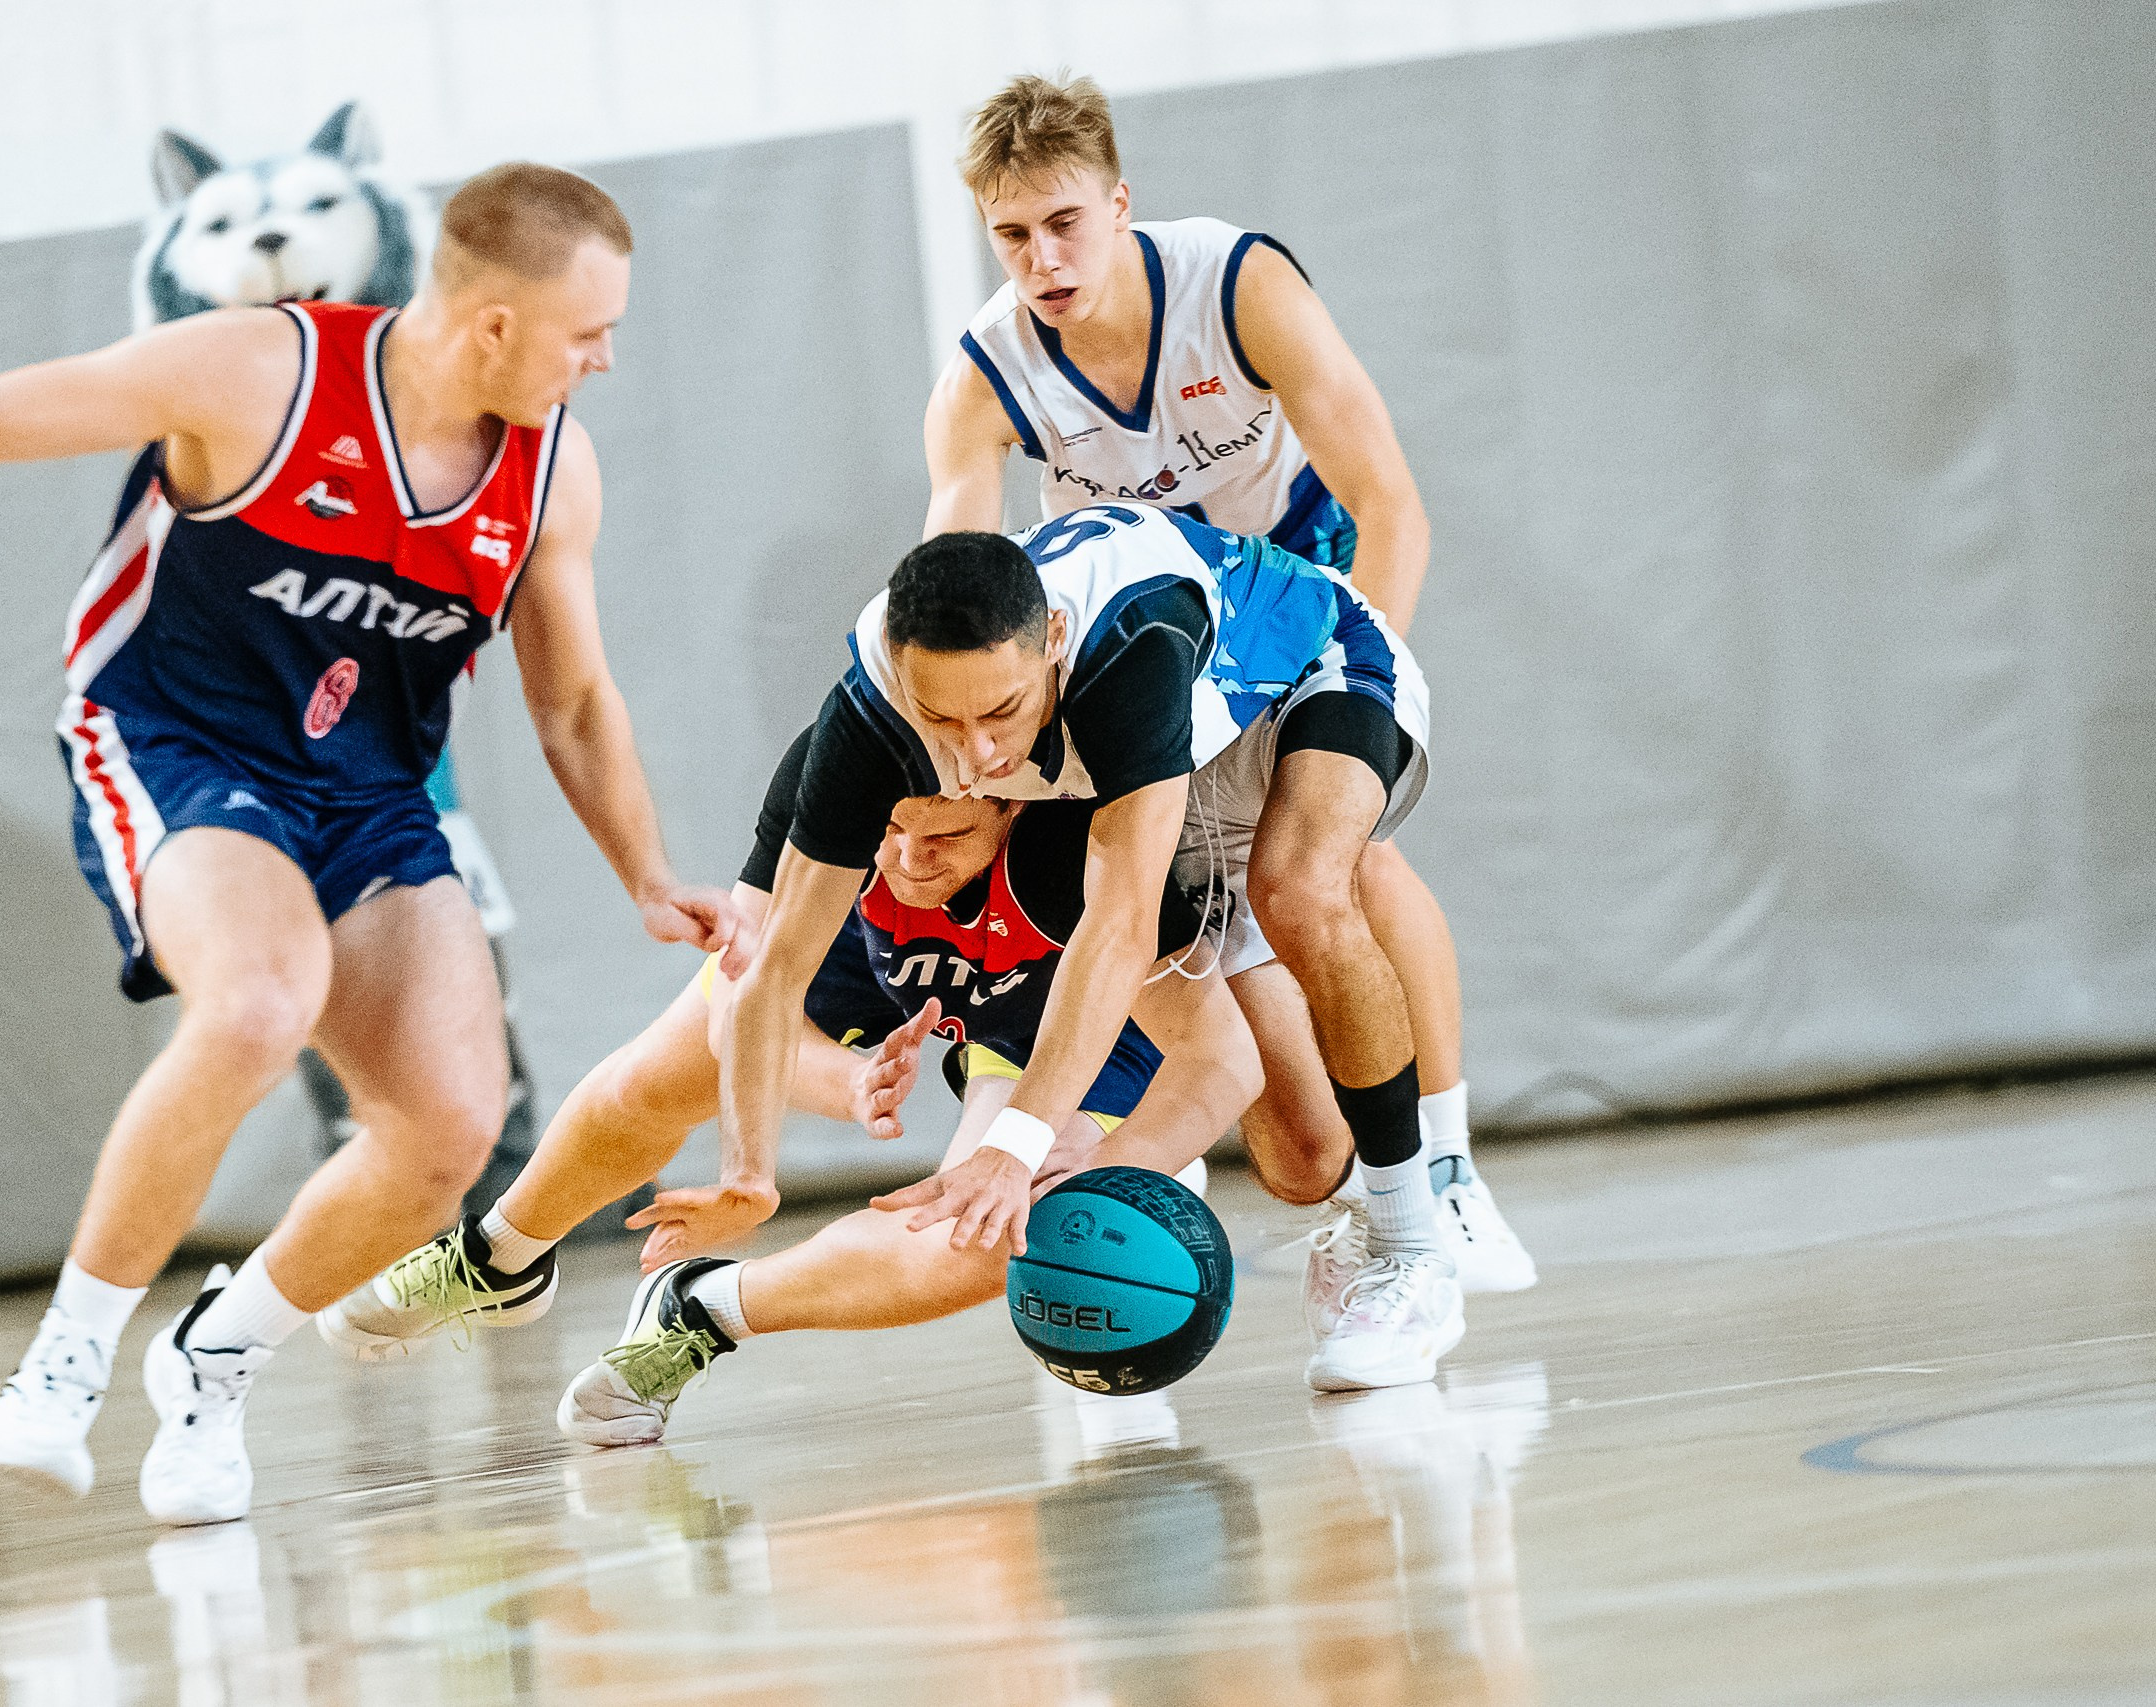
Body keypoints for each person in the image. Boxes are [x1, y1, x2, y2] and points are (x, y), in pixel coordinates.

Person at [0, 163, 737, 1524]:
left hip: (364, 792)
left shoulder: (551, 467)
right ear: (492, 326)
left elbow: (571, 699)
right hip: (176, 742)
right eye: (588, 333)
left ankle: (214, 1354)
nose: (604, 360)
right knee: (257, 1001)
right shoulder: (257, 374)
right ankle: (62, 1366)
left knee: (448, 1130)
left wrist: (647, 874)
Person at [922, 73, 1535, 1300]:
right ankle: (1170, 1142)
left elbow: (1390, 501)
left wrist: (1355, 713)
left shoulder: (1234, 284)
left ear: (1119, 204)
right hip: (1154, 646)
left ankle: (1448, 1170)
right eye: (1011, 235)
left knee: (1347, 860)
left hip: (1299, 596)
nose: (1043, 259)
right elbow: (956, 601)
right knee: (1292, 1144)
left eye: (1065, 223)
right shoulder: (986, 375)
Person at [696, 497, 1467, 1391]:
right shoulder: (866, 714)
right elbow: (774, 964)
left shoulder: (1130, 645)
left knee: (1297, 889)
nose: (979, 754)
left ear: (1053, 639)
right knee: (1303, 1158)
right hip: (1177, 757)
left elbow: (1119, 923)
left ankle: (1414, 1244)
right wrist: (749, 1168)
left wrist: (1014, 1144)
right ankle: (1345, 1199)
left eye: (1002, 711)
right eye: (942, 722)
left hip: (1307, 669)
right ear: (899, 680)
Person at [319, 727, 1264, 1443]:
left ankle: (705, 1306)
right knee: (660, 1073)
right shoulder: (840, 772)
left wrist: (1110, 1156)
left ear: (1013, 801)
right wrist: (849, 1082)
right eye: (894, 830)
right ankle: (500, 1252)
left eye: (946, 834)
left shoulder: (1085, 841)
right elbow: (744, 1013)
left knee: (988, 1234)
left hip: (1068, 1011)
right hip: (877, 948)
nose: (912, 857)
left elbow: (1226, 1060)